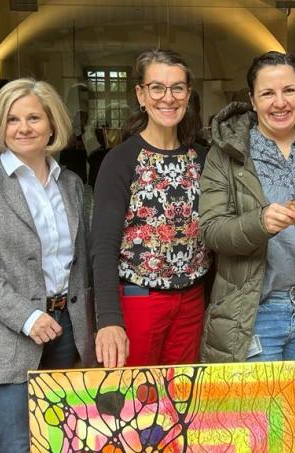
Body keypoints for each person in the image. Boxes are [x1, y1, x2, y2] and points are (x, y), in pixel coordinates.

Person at [198, 51, 295, 430]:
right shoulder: (227, 154)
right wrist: (259, 222)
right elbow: (211, 229)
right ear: (252, 100)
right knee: (255, 426)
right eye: (267, 93)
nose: (279, 102)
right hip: (255, 310)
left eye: (289, 90)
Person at [0, 78, 97, 452]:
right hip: (9, 333)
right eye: (12, 119)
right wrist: (28, 317)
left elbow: (81, 262)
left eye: (34, 117)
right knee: (16, 445)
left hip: (67, 327)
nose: (23, 128)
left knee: (62, 441)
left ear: (52, 124)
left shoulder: (70, 183)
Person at [92, 49, 210, 368]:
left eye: (177, 88)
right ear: (141, 95)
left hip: (192, 301)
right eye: (157, 88)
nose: (168, 98)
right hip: (138, 299)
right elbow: (103, 246)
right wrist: (108, 319)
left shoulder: (203, 159)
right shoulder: (120, 160)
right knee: (137, 392)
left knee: (180, 391)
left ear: (188, 95)